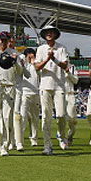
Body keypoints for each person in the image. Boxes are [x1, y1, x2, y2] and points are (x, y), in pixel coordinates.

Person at [35, 25, 68, 155]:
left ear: (55, 34)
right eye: (47, 32)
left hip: (59, 85)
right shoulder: (41, 49)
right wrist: (47, 59)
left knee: (60, 115)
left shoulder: (61, 48)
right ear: (44, 35)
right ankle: (47, 146)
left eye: (51, 32)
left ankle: (61, 136)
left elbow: (65, 65)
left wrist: (54, 58)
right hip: (45, 86)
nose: (49, 34)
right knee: (46, 118)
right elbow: (37, 66)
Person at [19, 48, 40, 147]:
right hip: (25, 93)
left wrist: (33, 63)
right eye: (30, 55)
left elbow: (40, 75)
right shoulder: (22, 65)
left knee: (35, 118)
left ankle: (34, 138)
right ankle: (20, 139)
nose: (32, 57)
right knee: (22, 117)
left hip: (36, 93)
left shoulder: (36, 64)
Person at [63, 62, 79, 145]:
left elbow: (75, 80)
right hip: (60, 94)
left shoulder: (72, 67)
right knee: (61, 116)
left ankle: (70, 135)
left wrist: (68, 73)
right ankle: (62, 137)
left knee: (72, 118)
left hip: (70, 94)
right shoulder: (56, 66)